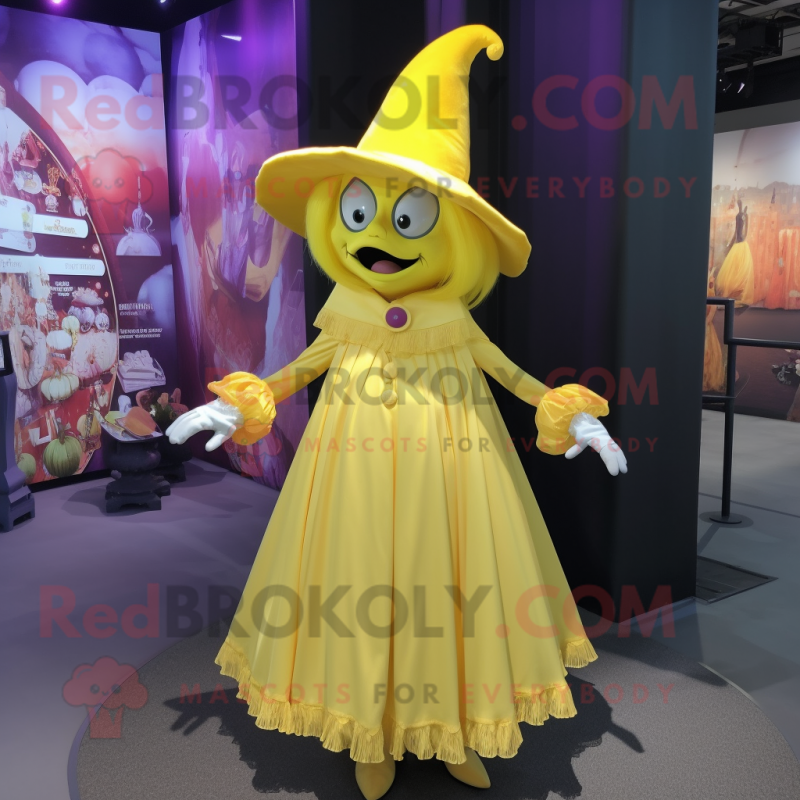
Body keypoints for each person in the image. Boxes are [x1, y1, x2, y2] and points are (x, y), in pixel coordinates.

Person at [167, 26, 627, 800]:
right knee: (357, 590)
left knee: (452, 592)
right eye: (358, 212)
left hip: (452, 476)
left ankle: (451, 728)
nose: (378, 236)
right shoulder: (347, 310)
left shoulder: (452, 316)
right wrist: (240, 404)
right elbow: (301, 368)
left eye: (407, 217)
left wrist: (568, 413)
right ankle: (371, 734)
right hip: (352, 478)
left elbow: (507, 372)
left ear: (453, 232)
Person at [716, 197, 754, 308]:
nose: (738, 203)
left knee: (740, 269)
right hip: (740, 243)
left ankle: (738, 294)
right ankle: (734, 294)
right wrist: (732, 242)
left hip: (741, 244)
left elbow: (742, 231)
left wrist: (737, 240)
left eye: (739, 202)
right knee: (736, 269)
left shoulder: (742, 215)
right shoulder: (741, 215)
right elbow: (738, 232)